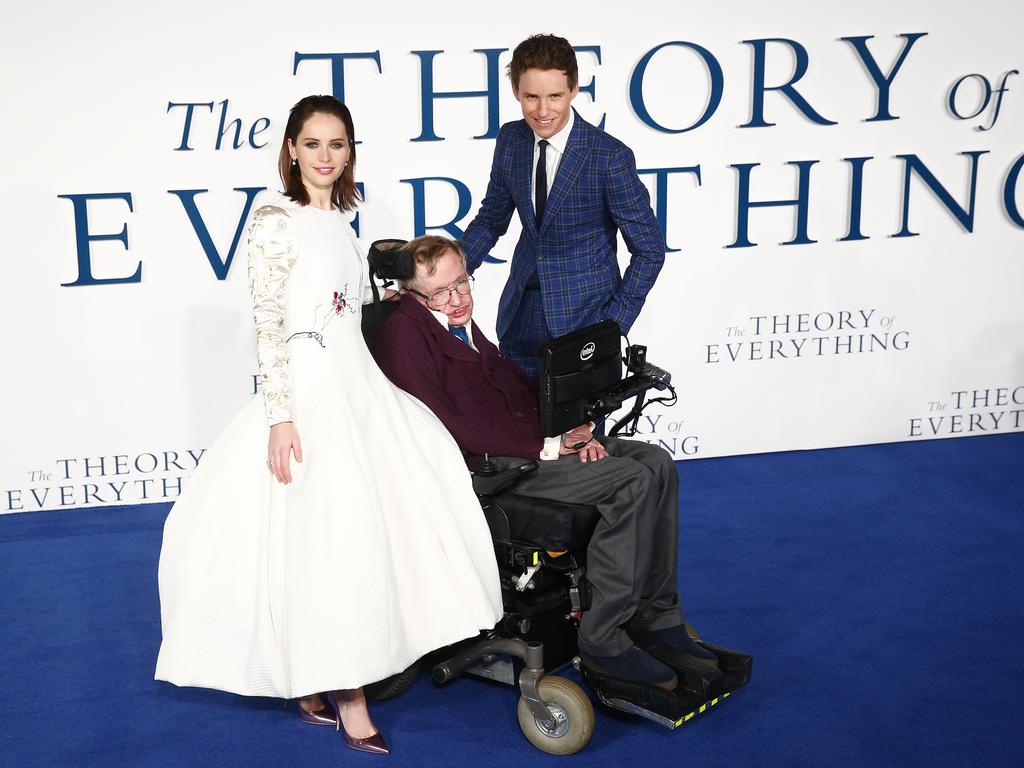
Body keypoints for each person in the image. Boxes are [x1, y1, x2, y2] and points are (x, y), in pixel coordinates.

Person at [155, 97, 503, 755]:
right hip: (311, 396)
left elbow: (342, 303)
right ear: (290, 149)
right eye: (311, 143)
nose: (324, 156)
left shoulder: (341, 217)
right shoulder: (272, 221)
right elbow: (268, 322)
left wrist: (390, 299)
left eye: (336, 144)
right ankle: (348, 695)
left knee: (398, 506)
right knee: (330, 543)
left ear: (349, 151)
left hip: (360, 384)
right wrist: (281, 418)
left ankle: (321, 676)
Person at [372, 236, 717, 689]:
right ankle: (604, 642)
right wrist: (549, 447)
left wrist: (572, 427)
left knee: (655, 463)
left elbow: (515, 387)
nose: (458, 299)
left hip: (533, 445)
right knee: (630, 481)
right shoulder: (405, 333)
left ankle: (656, 615)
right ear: (412, 293)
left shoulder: (458, 324)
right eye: (442, 292)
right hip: (494, 469)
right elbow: (445, 424)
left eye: (463, 283)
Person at [460, 33, 666, 380]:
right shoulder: (511, 140)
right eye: (531, 97)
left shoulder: (608, 157)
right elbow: (491, 220)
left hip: (585, 326)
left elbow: (650, 250)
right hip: (519, 318)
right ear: (515, 92)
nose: (543, 111)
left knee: (580, 435)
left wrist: (613, 325)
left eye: (555, 96)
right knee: (516, 430)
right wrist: (448, 274)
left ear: (574, 89)